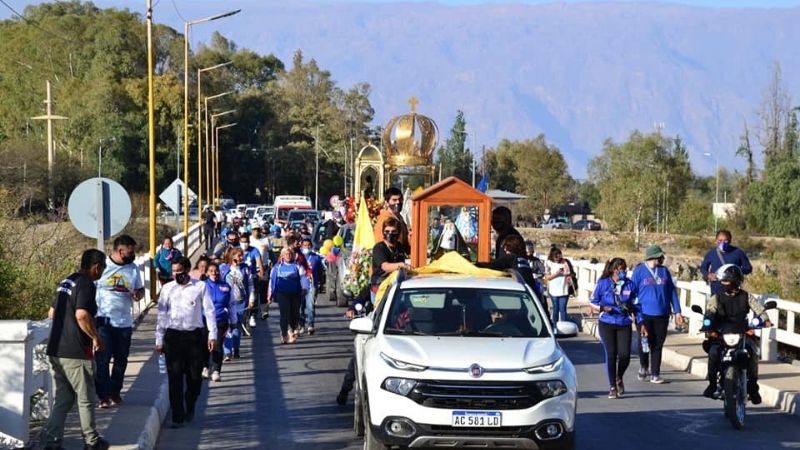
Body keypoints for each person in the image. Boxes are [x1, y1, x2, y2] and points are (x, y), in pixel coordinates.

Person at [43, 249, 110, 450]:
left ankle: (52, 441)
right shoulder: (86, 284)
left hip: (56, 349)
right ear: (96, 267)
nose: (101, 272)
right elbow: (82, 315)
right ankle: (92, 441)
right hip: (75, 352)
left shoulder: (67, 281)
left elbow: (52, 313)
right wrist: (95, 337)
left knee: (64, 398)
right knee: (86, 398)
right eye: (102, 268)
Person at [155, 256, 217, 428]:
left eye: (179, 271)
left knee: (195, 378)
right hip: (173, 337)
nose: (176, 275)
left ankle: (190, 403)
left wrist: (212, 335)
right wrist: (159, 339)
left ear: (188, 270)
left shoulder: (200, 287)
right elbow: (161, 315)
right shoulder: (167, 289)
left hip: (194, 338)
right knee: (174, 378)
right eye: (173, 272)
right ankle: (177, 416)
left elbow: (209, 311)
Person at [701, 264, 771, 404]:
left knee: (753, 353)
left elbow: (759, 310)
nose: (723, 284)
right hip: (722, 334)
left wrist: (765, 319)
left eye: (726, 281)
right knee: (714, 353)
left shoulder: (746, 297)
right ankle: (712, 384)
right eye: (722, 281)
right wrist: (707, 323)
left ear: (735, 282)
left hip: (743, 332)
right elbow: (709, 312)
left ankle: (753, 388)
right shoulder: (717, 297)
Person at [93, 235, 144, 409]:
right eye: (130, 252)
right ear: (120, 251)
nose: (133, 255)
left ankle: (115, 392)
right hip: (104, 320)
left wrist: (139, 294)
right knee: (103, 359)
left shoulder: (133, 268)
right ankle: (103, 395)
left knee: (121, 360)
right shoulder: (103, 267)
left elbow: (140, 289)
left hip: (124, 322)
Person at [631, 245, 684, 384]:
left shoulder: (664, 271)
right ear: (653, 257)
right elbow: (632, 292)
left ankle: (655, 374)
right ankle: (643, 366)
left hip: (662, 314)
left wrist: (677, 311)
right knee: (644, 343)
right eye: (660, 256)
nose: (662, 258)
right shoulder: (639, 271)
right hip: (644, 314)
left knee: (657, 344)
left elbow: (672, 292)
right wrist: (632, 311)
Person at [590, 258, 636, 398]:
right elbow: (593, 302)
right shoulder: (603, 284)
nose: (624, 271)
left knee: (624, 355)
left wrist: (635, 314)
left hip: (624, 322)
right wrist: (603, 308)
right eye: (621, 269)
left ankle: (619, 376)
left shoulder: (630, 285)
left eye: (625, 269)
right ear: (614, 270)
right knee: (611, 353)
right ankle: (612, 387)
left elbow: (636, 303)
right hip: (607, 322)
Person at [482, 234, 548, 317]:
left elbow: (491, 266)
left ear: (510, 247)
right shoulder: (524, 261)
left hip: (519, 301)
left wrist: (472, 265)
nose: (504, 249)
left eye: (506, 246)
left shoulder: (511, 258)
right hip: (531, 298)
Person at [268, 247, 309, 344]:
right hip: (282, 294)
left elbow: (303, 278)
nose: (288, 256)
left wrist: (305, 288)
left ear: (293, 255)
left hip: (295, 294)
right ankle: (284, 334)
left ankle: (293, 328)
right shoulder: (277, 267)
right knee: (284, 314)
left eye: (290, 254)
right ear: (282, 256)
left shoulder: (297, 266)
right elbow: (272, 281)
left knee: (294, 314)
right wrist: (269, 294)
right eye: (286, 254)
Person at [222, 247, 255, 359]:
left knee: (236, 327)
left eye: (242, 255)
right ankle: (227, 351)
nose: (241, 258)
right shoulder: (224, 269)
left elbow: (250, 284)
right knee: (226, 327)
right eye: (239, 255)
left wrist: (251, 299)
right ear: (232, 257)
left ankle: (236, 348)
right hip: (226, 303)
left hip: (240, 302)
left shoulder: (245, 269)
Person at [204, 262, 234, 382]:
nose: (214, 273)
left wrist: (234, 320)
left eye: (216, 271)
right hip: (204, 320)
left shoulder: (226, 286)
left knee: (217, 344)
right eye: (211, 271)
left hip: (221, 319)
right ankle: (205, 367)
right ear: (207, 273)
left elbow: (231, 304)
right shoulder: (202, 286)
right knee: (205, 345)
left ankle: (216, 370)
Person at [699, 229, 753, 296]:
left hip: (733, 290)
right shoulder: (712, 253)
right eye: (720, 240)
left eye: (725, 240)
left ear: (730, 241)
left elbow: (748, 267)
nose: (723, 243)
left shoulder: (738, 252)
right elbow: (703, 268)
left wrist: (736, 272)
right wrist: (708, 275)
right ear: (716, 241)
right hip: (716, 289)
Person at [371, 217, 410, 302]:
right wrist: (401, 265)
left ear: (398, 233)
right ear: (383, 232)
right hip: (380, 287)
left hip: (396, 286)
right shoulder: (379, 248)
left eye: (393, 232)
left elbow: (411, 253)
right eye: (387, 231)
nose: (390, 234)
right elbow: (385, 266)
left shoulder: (399, 247)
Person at [373, 187, 410, 254]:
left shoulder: (400, 219)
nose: (398, 202)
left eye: (400, 199)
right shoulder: (384, 220)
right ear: (387, 203)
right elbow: (380, 243)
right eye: (394, 200)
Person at [239, 233, 264, 329]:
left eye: (246, 242)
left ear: (249, 242)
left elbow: (259, 262)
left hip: (252, 276)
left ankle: (252, 315)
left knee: (254, 295)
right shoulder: (237, 250)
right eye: (242, 242)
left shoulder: (254, 250)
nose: (244, 244)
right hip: (240, 277)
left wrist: (261, 273)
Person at [300, 237, 323, 334]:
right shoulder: (298, 257)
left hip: (312, 285)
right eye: (305, 245)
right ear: (301, 246)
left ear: (311, 246)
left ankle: (310, 324)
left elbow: (320, 271)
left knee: (310, 305)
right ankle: (301, 325)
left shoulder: (316, 258)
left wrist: (320, 283)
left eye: (308, 245)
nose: (307, 247)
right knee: (300, 307)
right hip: (300, 285)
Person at [544, 246, 572, 324]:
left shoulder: (565, 262)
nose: (557, 258)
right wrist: (556, 273)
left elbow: (569, 274)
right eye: (555, 256)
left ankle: (564, 326)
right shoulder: (549, 263)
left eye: (559, 256)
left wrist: (568, 277)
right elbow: (547, 277)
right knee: (555, 309)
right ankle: (554, 326)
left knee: (563, 309)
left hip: (564, 289)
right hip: (553, 291)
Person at [250, 225, 272, 320]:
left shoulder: (266, 240)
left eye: (258, 230)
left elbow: (271, 253)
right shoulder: (249, 240)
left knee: (263, 290)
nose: (257, 232)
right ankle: (253, 313)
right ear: (252, 231)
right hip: (253, 269)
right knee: (253, 291)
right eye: (255, 230)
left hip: (264, 268)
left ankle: (264, 311)